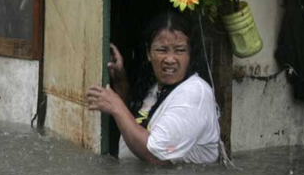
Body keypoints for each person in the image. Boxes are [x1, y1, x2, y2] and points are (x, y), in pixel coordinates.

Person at [86, 11, 220, 165]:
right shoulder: (157, 86)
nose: (170, 59)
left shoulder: (194, 92)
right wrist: (120, 82)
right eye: (161, 50)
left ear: (190, 54)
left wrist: (116, 107)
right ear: (148, 53)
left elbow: (155, 156)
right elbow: (139, 122)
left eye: (180, 50)